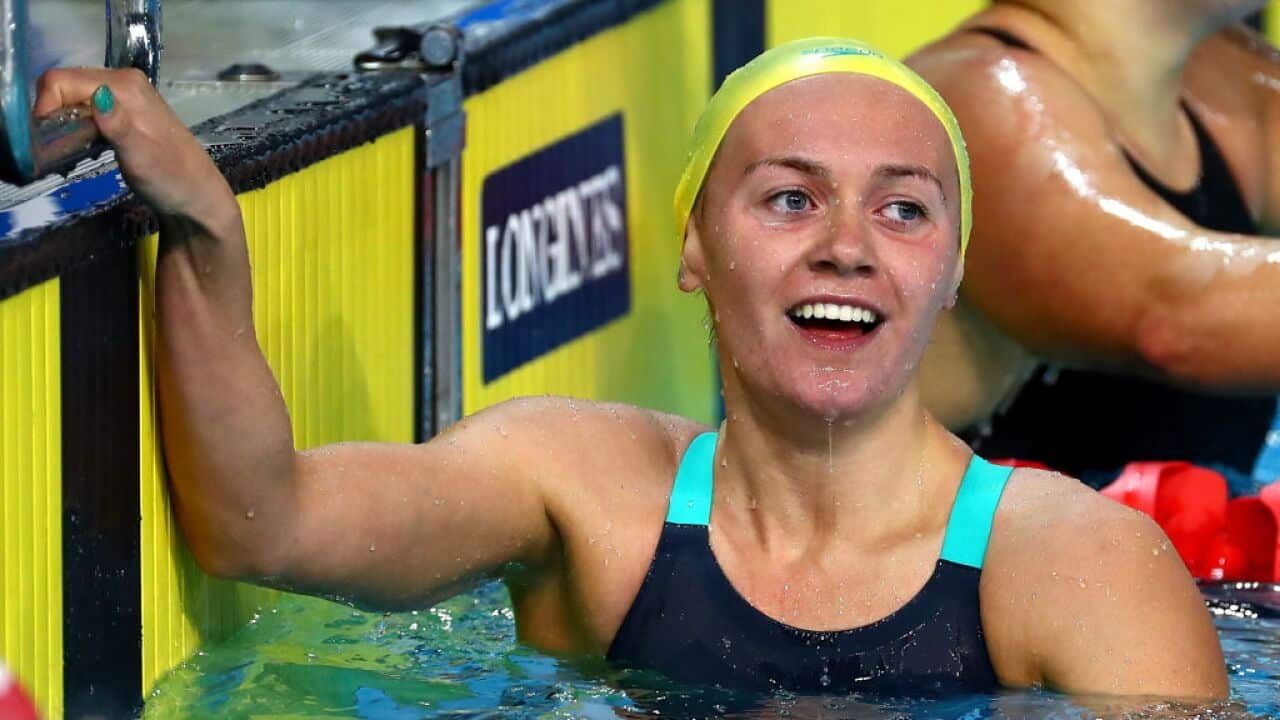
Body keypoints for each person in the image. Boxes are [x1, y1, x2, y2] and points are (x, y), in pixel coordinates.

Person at [36, 37, 1226, 699]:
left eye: (903, 211)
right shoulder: (582, 487)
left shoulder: (1077, 568)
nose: (847, 248)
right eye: (789, 198)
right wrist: (204, 227)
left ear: (954, 272)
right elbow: (267, 524)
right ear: (695, 249)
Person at [909, 0, 1280, 485]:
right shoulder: (977, 98)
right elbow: (1177, 314)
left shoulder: (1226, 81)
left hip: (1145, 556)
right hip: (965, 558)